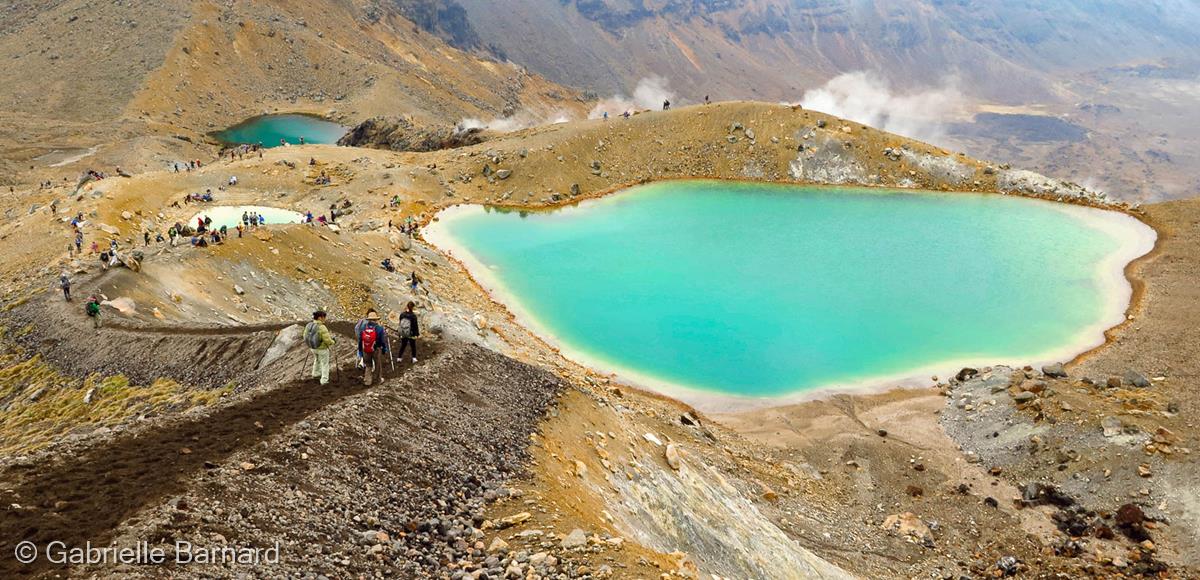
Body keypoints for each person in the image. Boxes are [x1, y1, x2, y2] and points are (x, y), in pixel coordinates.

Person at [357, 311, 390, 386]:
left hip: (365, 349)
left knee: (368, 365)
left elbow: (360, 339)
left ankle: (367, 381)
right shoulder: (379, 328)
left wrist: (360, 350)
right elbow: (382, 341)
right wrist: (384, 349)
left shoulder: (363, 327)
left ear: (368, 319)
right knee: (378, 364)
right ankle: (378, 380)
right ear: (376, 319)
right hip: (376, 349)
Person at [305, 311, 335, 385]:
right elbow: (327, 340)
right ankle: (324, 380)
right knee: (325, 364)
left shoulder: (309, 325)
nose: (325, 319)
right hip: (322, 349)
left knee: (317, 360)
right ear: (320, 317)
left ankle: (315, 374)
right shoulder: (322, 327)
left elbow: (305, 336)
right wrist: (333, 342)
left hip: (313, 348)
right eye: (324, 317)